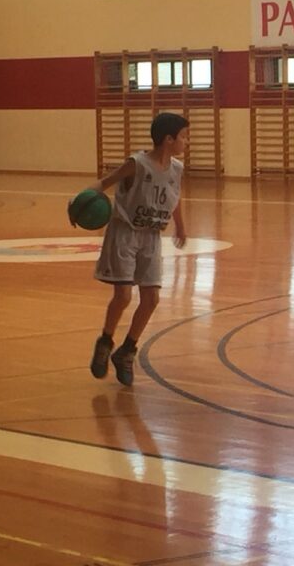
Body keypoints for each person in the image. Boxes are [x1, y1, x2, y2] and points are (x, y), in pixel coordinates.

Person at [82, 112, 190, 386]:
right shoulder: (137, 164)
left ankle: (126, 351)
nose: (186, 142)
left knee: (151, 299)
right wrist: (78, 202)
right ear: (168, 139)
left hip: (152, 236)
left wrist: (180, 225)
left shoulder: (176, 168)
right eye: (184, 137)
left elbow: (174, 198)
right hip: (125, 233)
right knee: (123, 295)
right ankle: (105, 341)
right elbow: (105, 183)